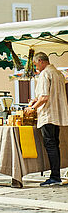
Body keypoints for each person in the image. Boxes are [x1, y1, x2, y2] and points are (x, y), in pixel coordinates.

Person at [25, 52, 68, 186]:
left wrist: (33, 108)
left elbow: (44, 97)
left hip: (48, 115)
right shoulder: (59, 74)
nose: (35, 67)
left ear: (41, 61)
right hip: (58, 114)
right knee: (55, 144)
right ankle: (56, 175)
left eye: (36, 64)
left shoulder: (45, 74)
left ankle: (55, 176)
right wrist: (35, 101)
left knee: (51, 145)